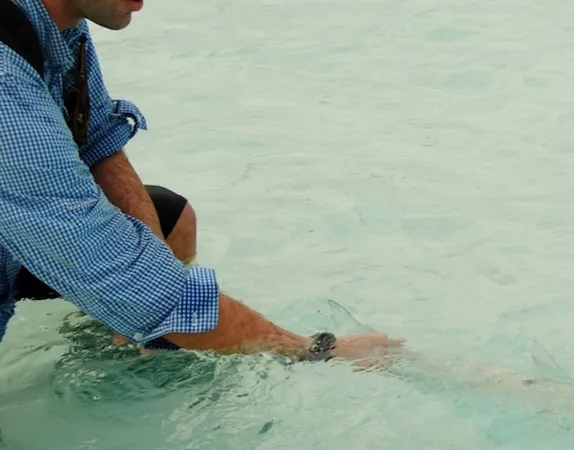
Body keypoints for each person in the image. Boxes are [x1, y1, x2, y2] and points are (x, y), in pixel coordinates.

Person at [0, 0, 403, 361]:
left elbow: (100, 143)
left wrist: (152, 266)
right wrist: (315, 350)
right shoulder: (5, 83)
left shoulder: (59, 23)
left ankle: (124, 346)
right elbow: (114, 265)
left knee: (172, 218)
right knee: (138, 283)